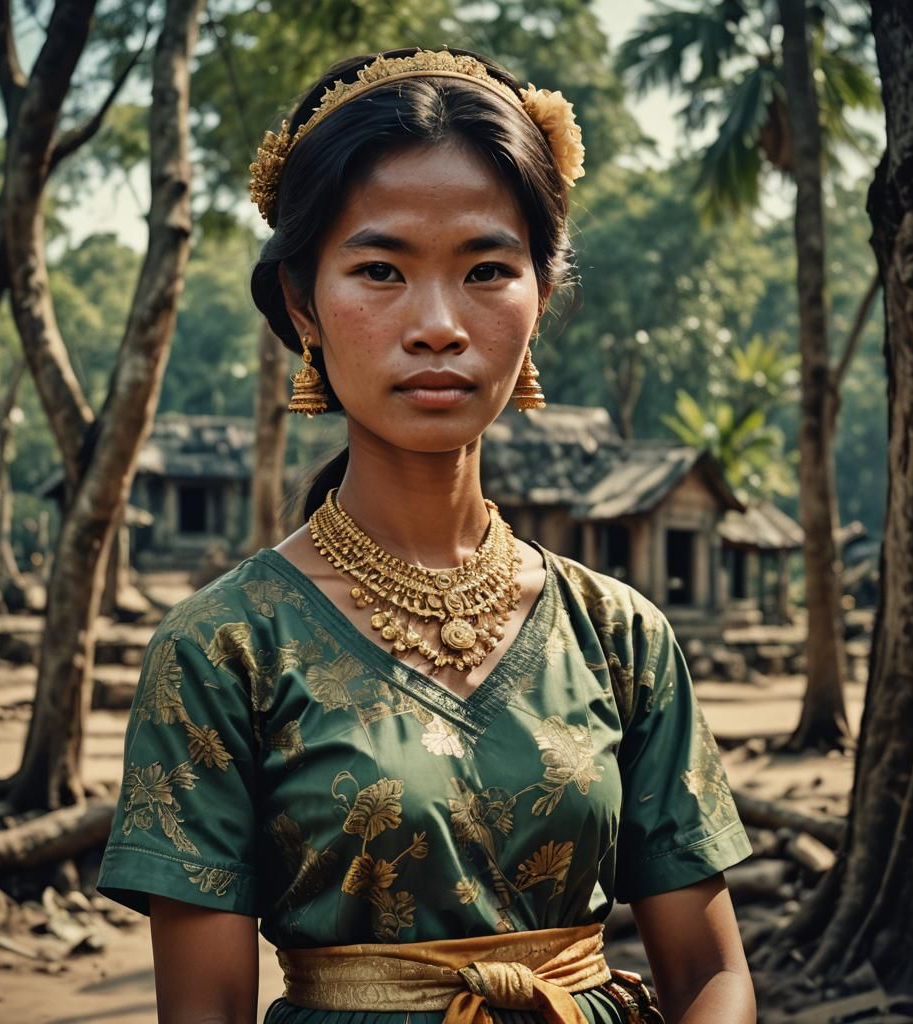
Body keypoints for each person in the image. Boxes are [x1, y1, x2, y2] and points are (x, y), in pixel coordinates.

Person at [97, 46, 757, 1024]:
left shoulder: (619, 636)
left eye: (487, 269)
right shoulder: (222, 651)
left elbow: (712, 975)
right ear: (302, 303)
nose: (438, 324)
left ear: (539, 297)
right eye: (380, 270)